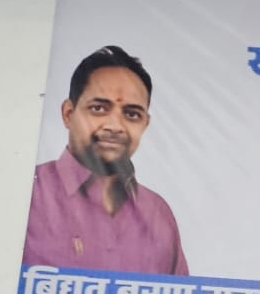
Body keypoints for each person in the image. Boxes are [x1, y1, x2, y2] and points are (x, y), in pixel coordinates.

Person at [24, 45, 188, 275]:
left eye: (131, 114)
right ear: (68, 114)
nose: (114, 126)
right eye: (99, 108)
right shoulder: (26, 192)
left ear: (145, 124)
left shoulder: (158, 214)